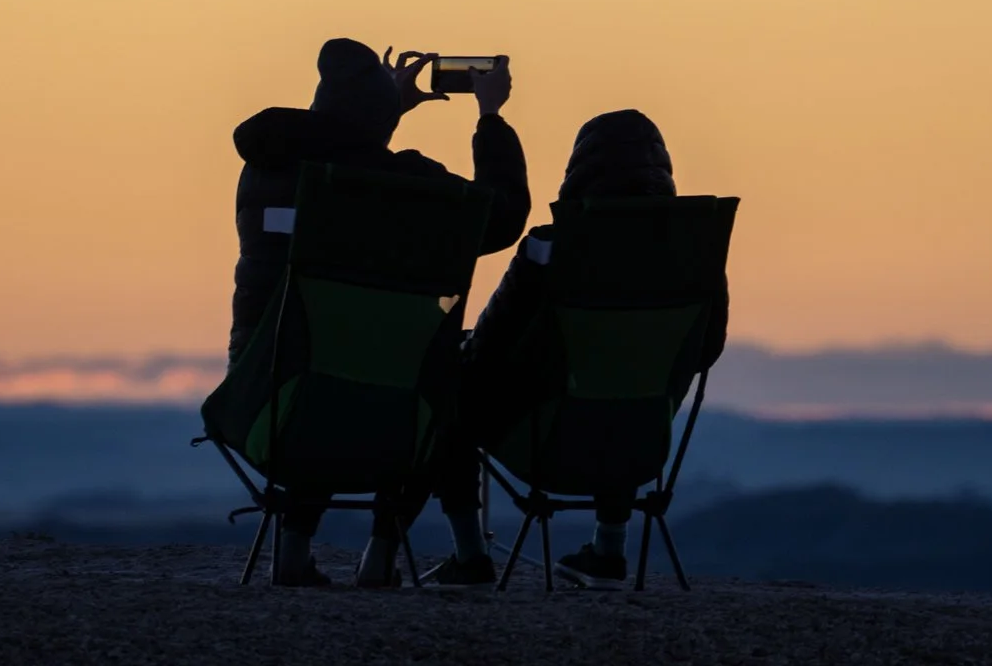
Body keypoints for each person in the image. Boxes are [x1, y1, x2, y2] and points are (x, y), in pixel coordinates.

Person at [226, 38, 529, 586]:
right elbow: (502, 217)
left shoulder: (265, 173)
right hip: (392, 411)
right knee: (427, 371)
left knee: (327, 360)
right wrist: (490, 117)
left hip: (267, 397)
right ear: (375, 117)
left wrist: (383, 114)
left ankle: (291, 554)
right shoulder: (407, 185)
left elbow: (345, 155)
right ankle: (384, 555)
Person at [388, 108, 727, 588]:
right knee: (621, 392)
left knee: (450, 384)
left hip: (550, 442)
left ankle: (470, 556)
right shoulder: (695, 254)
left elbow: (487, 349)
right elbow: (706, 349)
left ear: (580, 174)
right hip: (642, 440)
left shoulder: (550, 248)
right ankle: (609, 551)